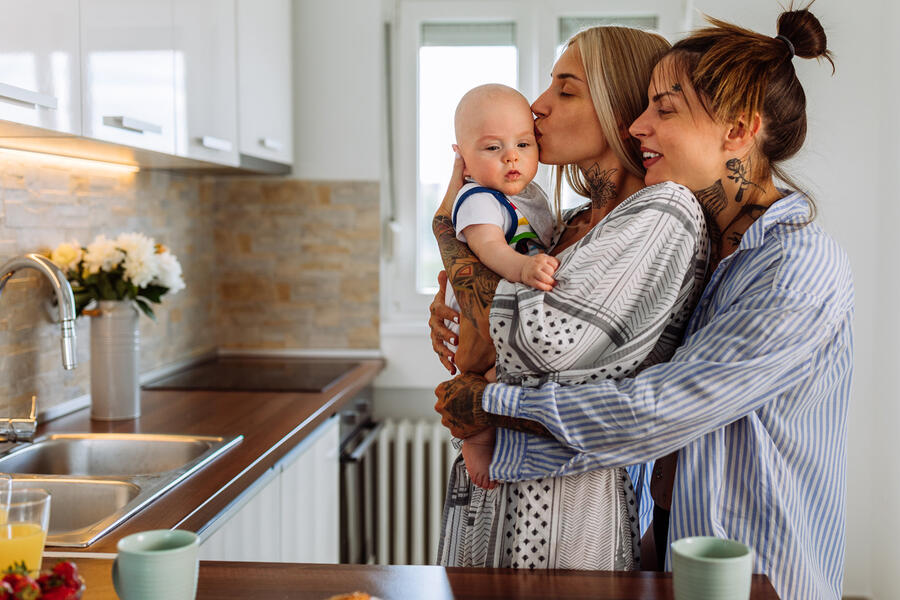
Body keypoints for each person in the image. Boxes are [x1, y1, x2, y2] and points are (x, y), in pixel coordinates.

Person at [431, 7, 852, 599]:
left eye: (664, 109)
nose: (637, 126)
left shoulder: (795, 263)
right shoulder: (709, 244)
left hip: (765, 574)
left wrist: (492, 401)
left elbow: (663, 408)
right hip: (681, 560)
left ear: (737, 130)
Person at [432, 25, 710, 570]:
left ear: (619, 104)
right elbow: (482, 346)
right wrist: (466, 307)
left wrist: (449, 235)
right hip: (489, 500)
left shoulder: (661, 213)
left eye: (565, 90)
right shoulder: (564, 225)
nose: (537, 107)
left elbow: (538, 341)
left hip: (564, 515)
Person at [442, 84, 559, 489]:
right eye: (492, 148)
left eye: (523, 143)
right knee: (475, 375)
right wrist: (525, 269)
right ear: (465, 162)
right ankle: (474, 439)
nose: (512, 156)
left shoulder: (528, 196)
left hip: (503, 316)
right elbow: (488, 246)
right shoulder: (477, 198)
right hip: (476, 324)